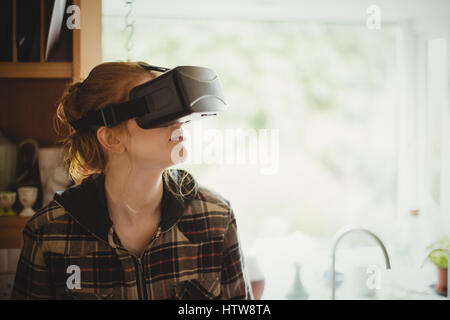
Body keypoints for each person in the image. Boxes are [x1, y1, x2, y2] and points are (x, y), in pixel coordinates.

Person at [10, 61, 253, 300]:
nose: (179, 122)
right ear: (111, 139)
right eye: (158, 110)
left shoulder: (215, 218)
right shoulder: (49, 234)